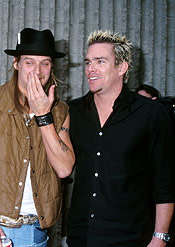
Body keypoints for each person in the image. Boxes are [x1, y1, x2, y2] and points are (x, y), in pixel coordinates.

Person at [0, 28, 75, 247]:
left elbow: (64, 169)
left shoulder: (60, 111)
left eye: (45, 63)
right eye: (30, 62)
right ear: (16, 63)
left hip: (32, 231)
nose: (38, 71)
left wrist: (43, 116)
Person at [67, 30, 175, 247]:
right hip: (82, 238)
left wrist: (160, 237)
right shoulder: (72, 111)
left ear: (122, 67)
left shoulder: (150, 113)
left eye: (100, 61)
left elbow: (165, 182)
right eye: (88, 62)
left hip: (131, 238)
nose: (91, 69)